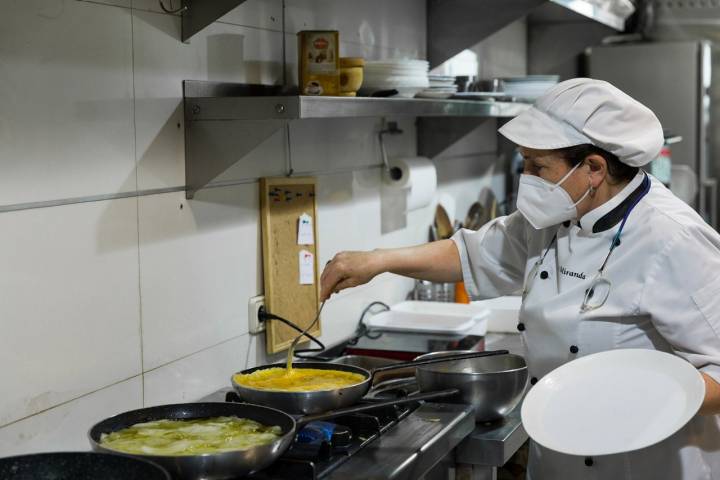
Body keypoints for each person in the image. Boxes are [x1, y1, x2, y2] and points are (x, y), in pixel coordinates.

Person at [319, 78, 720, 479]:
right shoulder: (556, 215)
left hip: (643, 464)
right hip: (557, 453)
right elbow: (473, 253)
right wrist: (378, 260)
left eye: (537, 166)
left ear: (594, 169)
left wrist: (636, 394)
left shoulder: (673, 239)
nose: (526, 177)